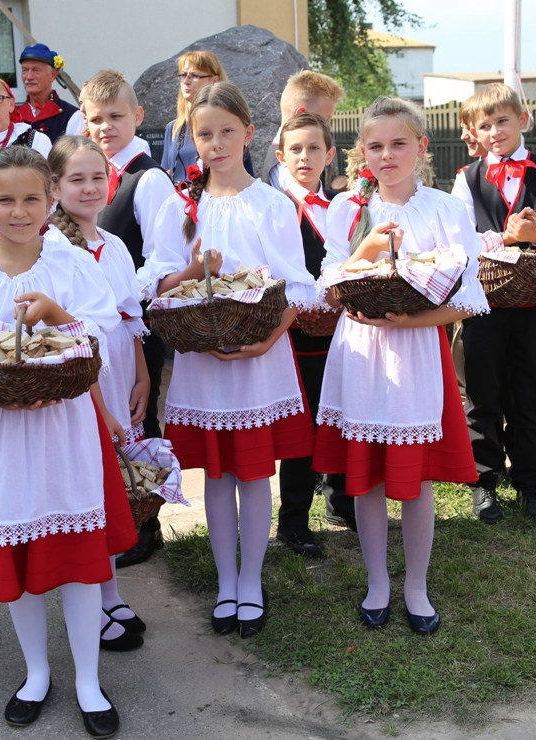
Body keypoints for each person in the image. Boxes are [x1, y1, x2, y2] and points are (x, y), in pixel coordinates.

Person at [0, 146, 134, 737]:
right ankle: (37, 673)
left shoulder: (69, 264)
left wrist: (56, 314)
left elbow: (102, 330)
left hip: (64, 430)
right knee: (18, 553)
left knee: (76, 560)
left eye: (31, 199)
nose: (19, 211)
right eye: (6, 199)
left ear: (50, 201)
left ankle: (89, 681)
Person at [141, 82, 318, 638]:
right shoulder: (182, 206)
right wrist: (192, 271)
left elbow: (298, 284)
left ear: (250, 133)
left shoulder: (272, 204)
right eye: (203, 135)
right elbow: (157, 283)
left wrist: (269, 339)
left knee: (252, 472)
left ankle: (251, 580)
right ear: (191, 140)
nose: (215, 145)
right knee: (216, 474)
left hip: (259, 356)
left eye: (226, 132)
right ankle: (225, 583)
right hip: (201, 356)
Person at [314, 96, 488, 634]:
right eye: (375, 146)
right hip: (362, 349)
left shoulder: (444, 208)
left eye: (398, 144)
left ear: (421, 148)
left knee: (415, 480)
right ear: (361, 152)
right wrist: (365, 249)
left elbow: (471, 296)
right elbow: (327, 287)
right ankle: (377, 582)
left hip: (416, 350)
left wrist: (412, 321)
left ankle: (416, 586)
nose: (386, 155)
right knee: (364, 478)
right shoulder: (347, 208)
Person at [451, 83, 536, 523]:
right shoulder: (466, 179)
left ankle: (530, 484)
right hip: (483, 300)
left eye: (502, 120)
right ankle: (484, 483)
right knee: (482, 392)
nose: (495, 130)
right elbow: (459, 240)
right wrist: (504, 237)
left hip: (535, 302)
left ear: (522, 120)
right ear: (474, 132)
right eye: (485, 125)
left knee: (528, 392)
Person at [48, 135, 151, 652]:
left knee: (115, 490)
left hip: (116, 376)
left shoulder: (114, 245)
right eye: (76, 179)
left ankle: (108, 590)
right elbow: (67, 338)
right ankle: (85, 596)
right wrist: (100, 402)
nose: (89, 188)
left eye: (97, 177)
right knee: (87, 488)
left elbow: (128, 321)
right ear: (56, 186)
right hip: (82, 386)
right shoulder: (55, 249)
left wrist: (143, 376)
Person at [82, 69, 174, 567]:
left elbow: (161, 258)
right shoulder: (85, 173)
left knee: (140, 417)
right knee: (103, 421)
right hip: (93, 329)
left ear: (137, 117)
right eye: (95, 118)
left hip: (133, 323)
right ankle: (109, 514)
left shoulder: (146, 177)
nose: (104, 127)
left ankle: (146, 524)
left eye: (115, 116)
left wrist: (124, 301)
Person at [272, 112, 355, 556]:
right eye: (296, 149)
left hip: (342, 331)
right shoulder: (271, 206)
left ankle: (342, 502)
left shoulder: (346, 207)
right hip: (292, 336)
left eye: (314, 148)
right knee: (302, 431)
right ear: (280, 155)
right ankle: (293, 521)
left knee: (340, 415)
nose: (305, 156)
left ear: (330, 154)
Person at [159, 51, 252, 184]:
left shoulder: (229, 123)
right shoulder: (174, 128)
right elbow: (165, 173)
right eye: (183, 75)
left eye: (194, 75)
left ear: (215, 80)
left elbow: (244, 174)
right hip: (182, 199)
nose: (186, 81)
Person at [259, 71, 345, 193]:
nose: (329, 127)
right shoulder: (286, 168)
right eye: (325, 119)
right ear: (301, 114)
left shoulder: (284, 154)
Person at [14, 44, 78, 143]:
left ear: (52, 75)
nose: (29, 76)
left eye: (36, 70)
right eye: (25, 70)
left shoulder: (71, 115)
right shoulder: (14, 115)